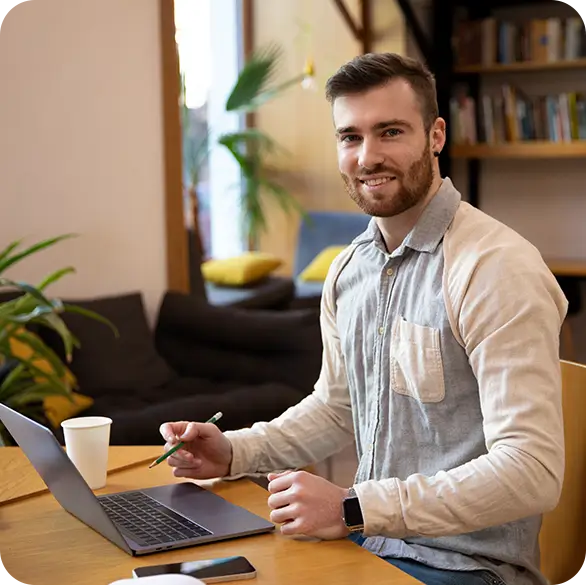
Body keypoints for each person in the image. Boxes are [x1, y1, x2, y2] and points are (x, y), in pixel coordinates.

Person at [159, 53, 568, 585]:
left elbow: (531, 472)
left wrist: (353, 507)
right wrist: (236, 450)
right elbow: (336, 408)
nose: (367, 156)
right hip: (367, 546)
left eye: (390, 131)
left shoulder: (495, 269)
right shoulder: (350, 269)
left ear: (436, 135)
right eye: (350, 137)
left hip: (466, 567)